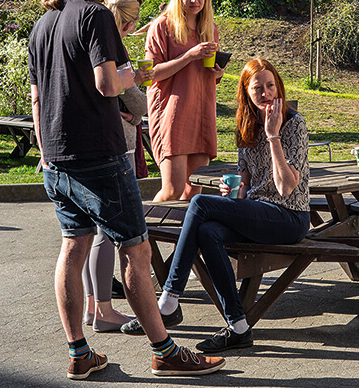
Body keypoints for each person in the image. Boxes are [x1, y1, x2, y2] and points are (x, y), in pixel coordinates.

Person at [28, 0, 223, 379]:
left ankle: (79, 352)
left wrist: (45, 152)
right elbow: (108, 85)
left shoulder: (42, 25)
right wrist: (133, 72)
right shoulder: (95, 16)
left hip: (57, 160)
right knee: (136, 251)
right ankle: (165, 351)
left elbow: (37, 99)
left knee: (73, 248)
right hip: (99, 155)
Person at [121, 58, 311, 354]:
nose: (266, 93)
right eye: (257, 88)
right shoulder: (246, 126)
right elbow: (247, 187)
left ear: (279, 87)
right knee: (208, 230)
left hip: (289, 217)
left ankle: (169, 299)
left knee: (198, 202)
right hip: (258, 213)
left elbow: (286, 187)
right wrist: (232, 195)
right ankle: (239, 326)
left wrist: (273, 135)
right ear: (246, 93)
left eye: (271, 85)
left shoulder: (292, 124)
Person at [76, 0, 152, 333]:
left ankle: (94, 307)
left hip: (88, 142)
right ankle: (104, 309)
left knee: (92, 231)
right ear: (128, 21)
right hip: (115, 145)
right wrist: (138, 91)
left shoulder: (86, 37)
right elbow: (135, 103)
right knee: (110, 232)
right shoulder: (113, 47)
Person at [145, 0, 225, 201]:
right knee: (172, 190)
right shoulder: (162, 26)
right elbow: (150, 74)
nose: (195, 1)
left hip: (202, 114)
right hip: (173, 113)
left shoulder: (210, 28)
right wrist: (189, 56)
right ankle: (144, 236)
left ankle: (185, 238)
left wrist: (217, 71)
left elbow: (209, 76)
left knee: (193, 191)